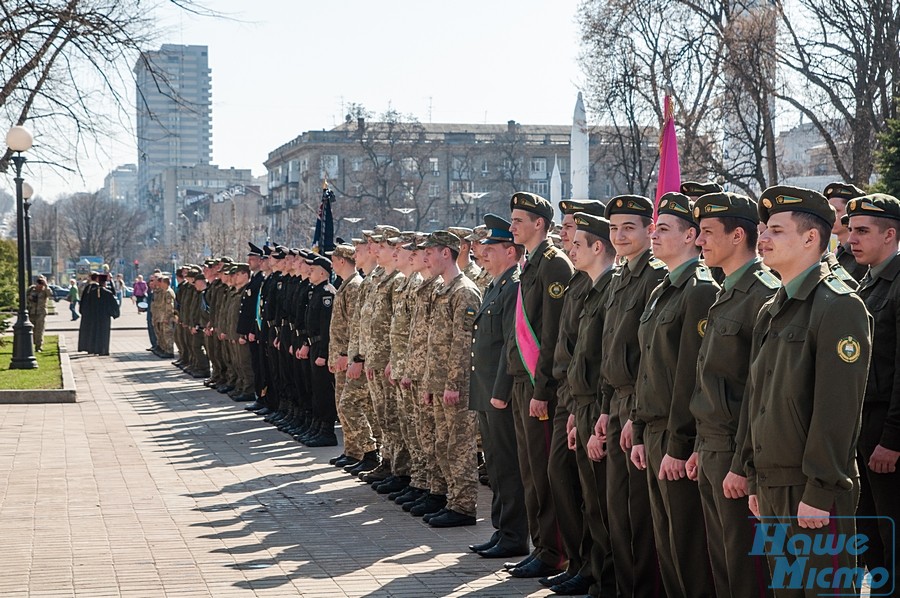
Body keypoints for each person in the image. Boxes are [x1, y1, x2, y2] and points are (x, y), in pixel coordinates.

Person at [743, 185, 871, 594]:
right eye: (763, 229)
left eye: (776, 230)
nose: (762, 238)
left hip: (812, 490)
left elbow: (838, 411)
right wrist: (754, 477)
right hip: (774, 483)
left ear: (811, 238)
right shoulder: (773, 307)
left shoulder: (838, 305)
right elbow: (759, 400)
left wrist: (819, 491)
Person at [631, 192, 718, 597]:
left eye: (663, 228)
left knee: (687, 545)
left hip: (676, 433)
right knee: (665, 541)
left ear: (690, 236)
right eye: (653, 227)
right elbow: (648, 367)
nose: (654, 234)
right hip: (653, 430)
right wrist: (638, 424)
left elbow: (689, 376)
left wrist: (679, 445)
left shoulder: (698, 290)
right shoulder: (663, 288)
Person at [690, 192, 776, 597]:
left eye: (707, 232)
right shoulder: (726, 290)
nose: (699, 240)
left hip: (734, 452)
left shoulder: (762, 293)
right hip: (711, 445)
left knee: (746, 570)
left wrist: (744, 465)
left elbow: (759, 393)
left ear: (738, 234)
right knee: (722, 562)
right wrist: (698, 446)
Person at [599, 194, 666, 597]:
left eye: (629, 227)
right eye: (614, 228)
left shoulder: (654, 276)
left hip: (639, 405)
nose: (620, 235)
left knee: (638, 514)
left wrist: (633, 419)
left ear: (648, 230)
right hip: (618, 402)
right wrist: (607, 412)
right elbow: (611, 350)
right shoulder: (621, 276)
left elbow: (649, 359)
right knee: (618, 511)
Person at [505, 191, 573, 579]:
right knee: (530, 471)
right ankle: (540, 544)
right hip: (521, 382)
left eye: (518, 220)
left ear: (539, 225)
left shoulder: (553, 266)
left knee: (547, 474)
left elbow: (551, 335)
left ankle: (554, 551)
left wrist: (542, 391)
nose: (512, 226)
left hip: (537, 385)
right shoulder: (529, 264)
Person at [844, 194, 900, 596]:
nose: (851, 239)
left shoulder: (896, 285)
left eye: (862, 231)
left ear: (891, 234)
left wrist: (892, 440)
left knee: (891, 534)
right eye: (850, 230)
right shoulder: (867, 282)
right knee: (870, 537)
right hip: (863, 431)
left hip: (885, 432)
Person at [468, 214, 529, 558]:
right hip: (485, 390)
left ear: (510, 251)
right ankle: (500, 529)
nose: (482, 254)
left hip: (498, 395)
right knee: (494, 465)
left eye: (490, 248)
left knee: (508, 467)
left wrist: (501, 392)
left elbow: (511, 343)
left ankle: (514, 535)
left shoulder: (514, 285)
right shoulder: (495, 285)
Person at [565, 211, 618, 598]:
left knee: (604, 504)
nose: (570, 248)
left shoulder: (611, 287)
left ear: (598, 247)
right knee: (591, 503)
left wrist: (600, 414)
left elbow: (606, 363)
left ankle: (606, 580)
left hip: (600, 408)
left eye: (577, 243)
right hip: (582, 406)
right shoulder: (588, 286)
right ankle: (593, 574)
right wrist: (573, 412)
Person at [420, 230, 482, 527]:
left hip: (456, 386)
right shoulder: (443, 289)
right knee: (444, 445)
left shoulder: (464, 291)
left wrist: (453, 384)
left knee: (459, 446)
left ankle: (464, 507)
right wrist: (433, 383)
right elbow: (435, 342)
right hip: (441, 383)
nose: (426, 258)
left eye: (430, 252)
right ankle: (451, 500)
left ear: (446, 252)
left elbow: (463, 343)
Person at [824, 182, 868, 282]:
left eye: (836, 211)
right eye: (829, 211)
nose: (831, 216)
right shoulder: (836, 252)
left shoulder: (861, 254)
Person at [77, 272, 120, 355]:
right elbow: (113, 305)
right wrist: (114, 314)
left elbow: (84, 304)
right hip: (104, 317)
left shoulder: (90, 291)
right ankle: (103, 350)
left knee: (93, 332)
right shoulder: (107, 293)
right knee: (103, 333)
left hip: (93, 316)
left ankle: (92, 348)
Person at [26, 276, 54, 352]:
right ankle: (29, 346)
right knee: (31, 330)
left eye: (41, 283)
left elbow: (50, 294)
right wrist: (30, 298)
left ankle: (38, 346)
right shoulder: (32, 289)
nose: (40, 285)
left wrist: (46, 285)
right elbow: (25, 297)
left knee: (39, 330)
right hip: (31, 312)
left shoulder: (45, 290)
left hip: (41, 312)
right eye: (39, 283)